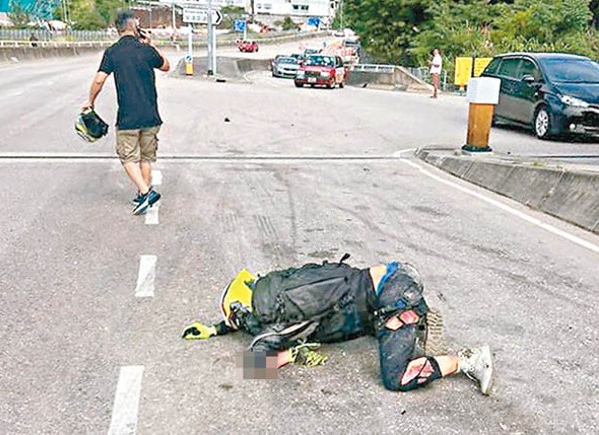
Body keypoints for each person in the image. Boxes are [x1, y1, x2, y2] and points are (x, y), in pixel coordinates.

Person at [182, 256, 494, 394]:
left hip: (390, 304)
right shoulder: (277, 288)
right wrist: (216, 329)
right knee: (367, 326)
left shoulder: (274, 320)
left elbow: (252, 365)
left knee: (397, 378)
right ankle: (415, 317)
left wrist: (291, 356)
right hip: (389, 281)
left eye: (235, 317)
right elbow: (249, 317)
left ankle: (467, 360)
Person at [82, 10, 170, 215]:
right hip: (151, 115)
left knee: (128, 157)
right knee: (146, 157)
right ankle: (142, 195)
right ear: (135, 27)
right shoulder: (146, 50)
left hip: (129, 117)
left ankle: (146, 192)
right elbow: (166, 66)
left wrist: (90, 102)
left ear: (117, 29)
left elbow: (99, 80)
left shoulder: (113, 52)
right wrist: (151, 44)